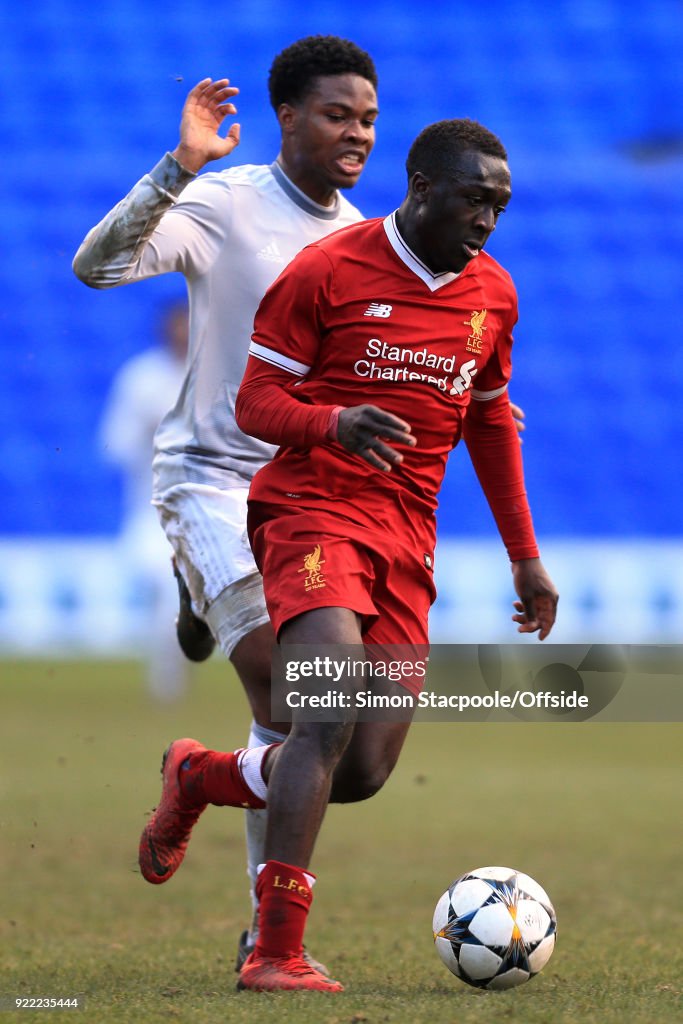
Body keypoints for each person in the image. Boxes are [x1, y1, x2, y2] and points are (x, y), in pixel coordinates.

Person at [73, 36, 526, 974]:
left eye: (366, 117)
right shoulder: (225, 200)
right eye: (335, 114)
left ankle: (198, 774)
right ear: (285, 117)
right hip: (214, 473)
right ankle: (268, 941)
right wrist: (177, 167)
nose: (356, 133)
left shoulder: (369, 237)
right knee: (295, 699)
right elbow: (98, 267)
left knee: (333, 736)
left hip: (327, 489)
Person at [99, 300, 190, 701]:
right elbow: (113, 445)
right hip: (152, 512)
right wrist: (151, 433)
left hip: (216, 508)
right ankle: (167, 684)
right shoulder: (140, 379)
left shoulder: (216, 370)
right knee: (168, 591)